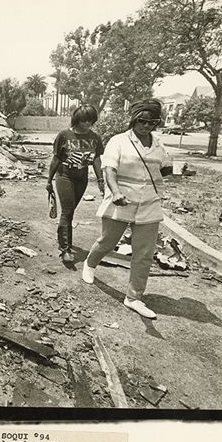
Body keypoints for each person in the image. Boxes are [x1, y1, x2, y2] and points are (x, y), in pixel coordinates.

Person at [82, 98, 174, 319]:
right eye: (142, 121)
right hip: (121, 200)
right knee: (108, 242)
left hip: (149, 203)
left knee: (144, 253)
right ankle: (90, 263)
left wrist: (154, 178)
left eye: (152, 122)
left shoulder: (158, 143)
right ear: (134, 119)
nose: (147, 126)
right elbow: (109, 169)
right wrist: (115, 192)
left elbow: (167, 167)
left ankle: (133, 298)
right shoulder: (119, 141)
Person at [46, 104, 105, 264]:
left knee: (71, 211)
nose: (86, 124)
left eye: (90, 120)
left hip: (82, 176)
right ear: (77, 119)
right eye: (83, 120)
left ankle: (63, 240)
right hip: (65, 175)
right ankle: (65, 249)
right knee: (67, 211)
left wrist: (101, 179)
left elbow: (97, 160)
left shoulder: (95, 138)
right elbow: (56, 158)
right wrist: (49, 180)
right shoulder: (64, 135)